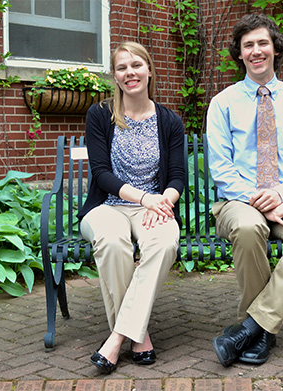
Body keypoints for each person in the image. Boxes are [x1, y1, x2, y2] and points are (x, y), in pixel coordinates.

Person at [206, 13, 283, 367]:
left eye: (262, 43)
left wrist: (281, 194)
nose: (256, 51)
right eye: (248, 45)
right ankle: (264, 330)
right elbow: (221, 167)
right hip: (238, 200)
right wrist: (260, 202)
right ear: (240, 53)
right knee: (248, 227)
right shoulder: (223, 103)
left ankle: (253, 327)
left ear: (275, 48)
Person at [78, 42, 184, 374]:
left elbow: (178, 176)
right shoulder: (100, 115)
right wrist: (143, 197)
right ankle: (140, 336)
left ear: (149, 70)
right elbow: (101, 174)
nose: (130, 73)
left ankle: (116, 337)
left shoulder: (169, 121)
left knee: (164, 242)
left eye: (136, 65)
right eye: (122, 67)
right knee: (111, 242)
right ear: (115, 76)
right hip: (107, 205)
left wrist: (162, 201)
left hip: (156, 206)